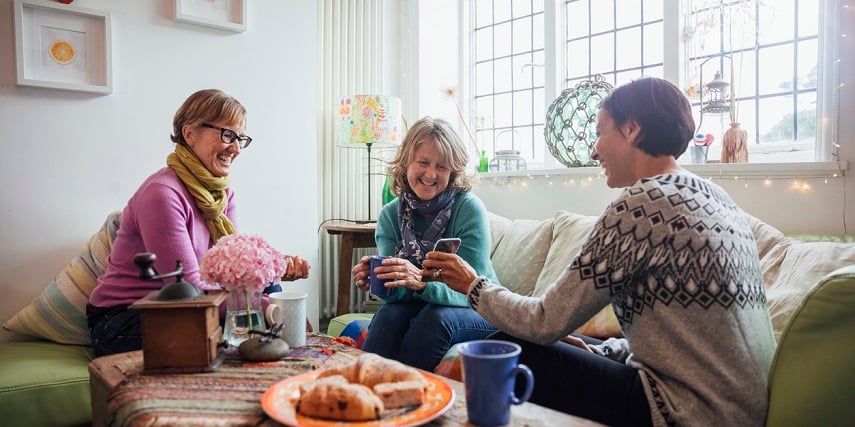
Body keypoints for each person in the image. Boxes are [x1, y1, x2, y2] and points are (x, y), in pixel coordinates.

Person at [423, 77, 776, 426]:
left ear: (631, 129)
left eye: (598, 132)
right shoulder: (715, 197)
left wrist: (473, 284)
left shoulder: (641, 207)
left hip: (683, 413)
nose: (593, 150)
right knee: (562, 345)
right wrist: (600, 350)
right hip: (739, 410)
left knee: (510, 349)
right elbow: (685, 338)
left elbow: (544, 322)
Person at [87, 89, 310, 357]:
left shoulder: (222, 194)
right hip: (123, 319)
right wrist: (271, 310)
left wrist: (275, 267)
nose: (236, 148)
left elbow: (234, 267)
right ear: (189, 133)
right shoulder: (162, 193)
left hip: (184, 307)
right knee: (253, 319)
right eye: (228, 135)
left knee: (268, 286)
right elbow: (190, 292)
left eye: (240, 138)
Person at [350, 116, 499, 371]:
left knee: (434, 318)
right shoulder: (390, 215)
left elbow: (475, 289)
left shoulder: (468, 209)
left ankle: (412, 397)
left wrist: (420, 281)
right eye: (423, 162)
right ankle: (366, 391)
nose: (431, 174)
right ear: (406, 161)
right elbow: (397, 297)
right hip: (421, 305)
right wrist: (380, 281)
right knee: (387, 316)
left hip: (479, 308)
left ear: (453, 171)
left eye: (442, 167)